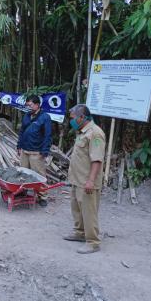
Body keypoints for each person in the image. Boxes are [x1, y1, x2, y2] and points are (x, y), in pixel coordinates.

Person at [63, 104, 106, 254]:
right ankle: (80, 232)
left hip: (87, 181)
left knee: (89, 211)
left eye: (73, 118)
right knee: (77, 209)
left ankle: (93, 242)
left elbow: (97, 160)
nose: (71, 121)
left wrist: (91, 181)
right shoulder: (81, 132)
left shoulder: (95, 134)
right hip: (77, 179)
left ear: (82, 117)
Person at [16, 95, 52, 207]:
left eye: (30, 105)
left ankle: (43, 196)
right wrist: (19, 145)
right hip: (25, 150)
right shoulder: (26, 115)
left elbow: (48, 135)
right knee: (23, 173)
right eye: (27, 105)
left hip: (37, 152)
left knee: (39, 175)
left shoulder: (45, 117)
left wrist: (45, 151)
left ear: (37, 105)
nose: (29, 107)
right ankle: (23, 191)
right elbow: (22, 131)